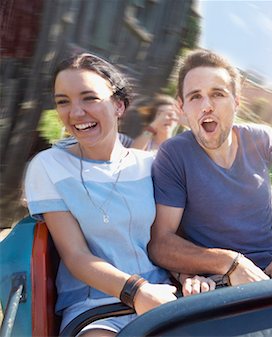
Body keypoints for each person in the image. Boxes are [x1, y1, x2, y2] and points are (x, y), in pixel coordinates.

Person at [24, 53, 214, 337]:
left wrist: (187, 276)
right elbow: (75, 255)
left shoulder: (150, 164)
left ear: (118, 105)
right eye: (63, 101)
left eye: (89, 98)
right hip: (96, 306)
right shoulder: (49, 166)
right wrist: (137, 292)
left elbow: (165, 238)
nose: (75, 113)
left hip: (164, 295)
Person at [148, 49, 272, 287]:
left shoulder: (261, 141)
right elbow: (161, 243)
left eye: (217, 94)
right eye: (195, 97)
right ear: (182, 107)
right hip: (220, 282)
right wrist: (230, 262)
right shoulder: (174, 155)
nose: (206, 106)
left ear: (236, 102)